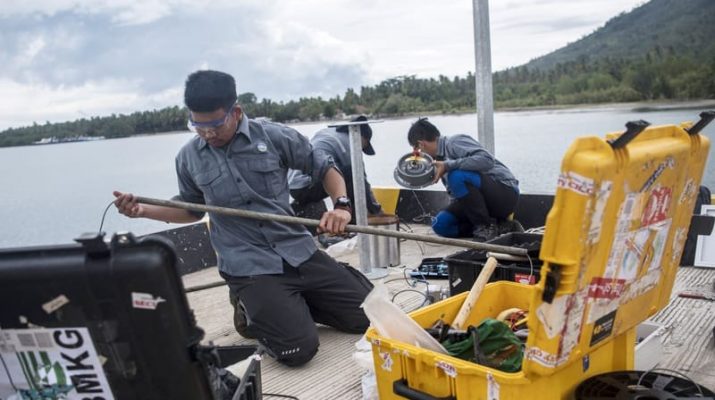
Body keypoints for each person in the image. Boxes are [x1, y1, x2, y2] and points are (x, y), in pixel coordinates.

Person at [113, 70, 372, 367]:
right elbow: (191, 209)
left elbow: (324, 167)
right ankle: (253, 308)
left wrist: (341, 206)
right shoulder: (188, 158)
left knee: (370, 315)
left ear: (236, 112)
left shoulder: (274, 136)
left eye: (215, 125)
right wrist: (143, 211)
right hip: (248, 265)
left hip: (297, 250)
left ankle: (292, 303)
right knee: (298, 350)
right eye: (198, 126)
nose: (207, 134)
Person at [406, 117, 522, 242]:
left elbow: (487, 160)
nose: (417, 154)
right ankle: (503, 227)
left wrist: (448, 165)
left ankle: (485, 228)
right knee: (440, 224)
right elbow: (459, 195)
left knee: (456, 176)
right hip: (481, 205)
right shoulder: (440, 160)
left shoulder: (455, 142)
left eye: (415, 149)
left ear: (421, 144)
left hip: (505, 194)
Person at [289, 115, 383, 218]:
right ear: (363, 137)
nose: (360, 150)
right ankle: (353, 222)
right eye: (363, 146)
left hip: (293, 187)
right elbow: (360, 179)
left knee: (342, 173)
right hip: (306, 187)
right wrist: (376, 209)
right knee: (352, 173)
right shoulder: (350, 142)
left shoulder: (328, 133)